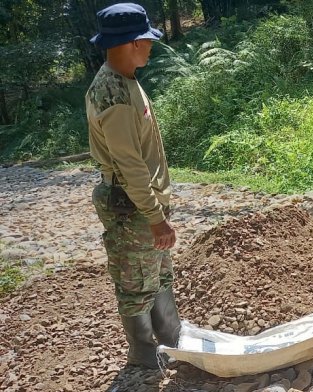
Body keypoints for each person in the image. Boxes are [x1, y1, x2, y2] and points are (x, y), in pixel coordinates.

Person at [86, 3, 180, 369]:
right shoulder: (114, 94)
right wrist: (156, 217)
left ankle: (172, 338)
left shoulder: (124, 81)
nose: (152, 46)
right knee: (136, 280)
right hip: (132, 204)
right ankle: (143, 355)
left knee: (156, 271)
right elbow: (130, 165)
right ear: (133, 42)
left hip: (140, 202)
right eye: (148, 39)